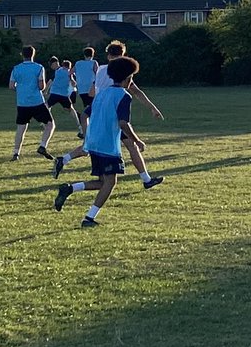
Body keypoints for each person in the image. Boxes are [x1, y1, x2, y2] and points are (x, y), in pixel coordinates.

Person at [52, 40, 164, 189]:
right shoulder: (121, 71)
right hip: (112, 114)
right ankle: (145, 179)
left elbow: (92, 92)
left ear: (108, 55)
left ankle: (64, 160)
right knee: (129, 146)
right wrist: (152, 108)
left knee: (91, 145)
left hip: (99, 110)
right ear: (122, 55)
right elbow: (135, 91)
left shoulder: (101, 70)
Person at [54, 56, 144, 227]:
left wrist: (88, 135)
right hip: (108, 146)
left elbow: (85, 114)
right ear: (128, 78)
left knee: (103, 182)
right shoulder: (124, 96)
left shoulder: (102, 93)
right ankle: (89, 218)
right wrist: (137, 141)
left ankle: (70, 188)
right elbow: (123, 123)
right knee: (111, 183)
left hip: (95, 144)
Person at [9, 45, 53, 161]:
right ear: (33, 54)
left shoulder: (16, 68)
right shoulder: (39, 68)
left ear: (22, 55)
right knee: (49, 124)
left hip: (22, 102)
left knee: (21, 128)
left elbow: (11, 86)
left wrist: (21, 88)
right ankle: (43, 146)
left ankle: (16, 153)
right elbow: (41, 86)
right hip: (36, 101)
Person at [45, 57, 84, 139]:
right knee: (71, 110)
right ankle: (80, 128)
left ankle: (47, 122)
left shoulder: (57, 71)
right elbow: (73, 83)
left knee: (47, 106)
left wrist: (45, 91)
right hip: (64, 95)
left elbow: (49, 82)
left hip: (55, 93)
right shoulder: (69, 73)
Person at [72, 47, 99, 112]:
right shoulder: (94, 62)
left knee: (87, 105)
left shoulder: (78, 63)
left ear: (84, 55)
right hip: (91, 88)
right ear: (92, 55)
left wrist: (73, 79)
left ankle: (87, 119)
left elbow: (70, 72)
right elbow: (98, 74)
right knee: (93, 105)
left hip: (81, 88)